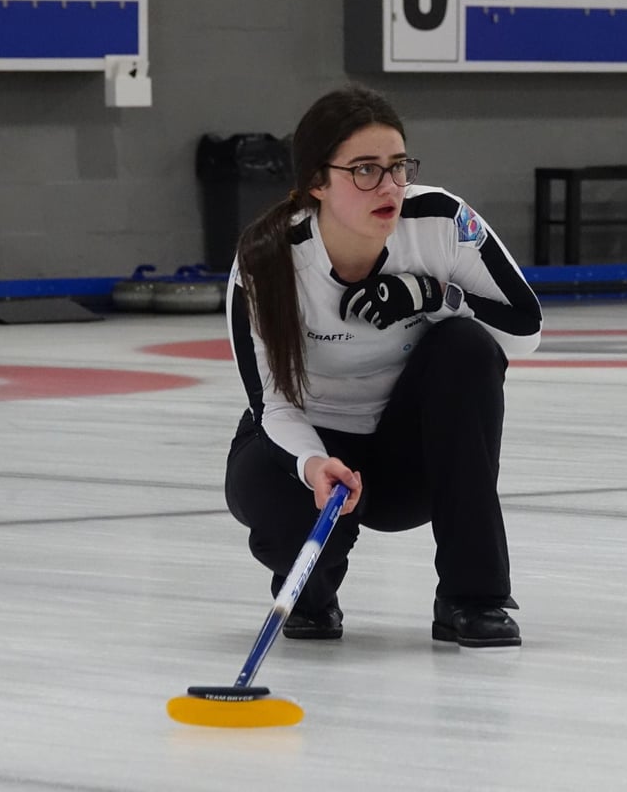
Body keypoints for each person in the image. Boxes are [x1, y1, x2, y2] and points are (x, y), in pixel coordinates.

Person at [223, 85, 542, 648]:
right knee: (277, 506)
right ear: (316, 183)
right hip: (312, 443)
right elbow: (272, 401)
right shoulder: (266, 261)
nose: (390, 187)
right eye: (365, 170)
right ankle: (312, 594)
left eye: (398, 167)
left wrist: (437, 296)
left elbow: (524, 333)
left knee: (467, 347)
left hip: (408, 457)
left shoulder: (440, 221)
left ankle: (473, 596)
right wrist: (313, 465)